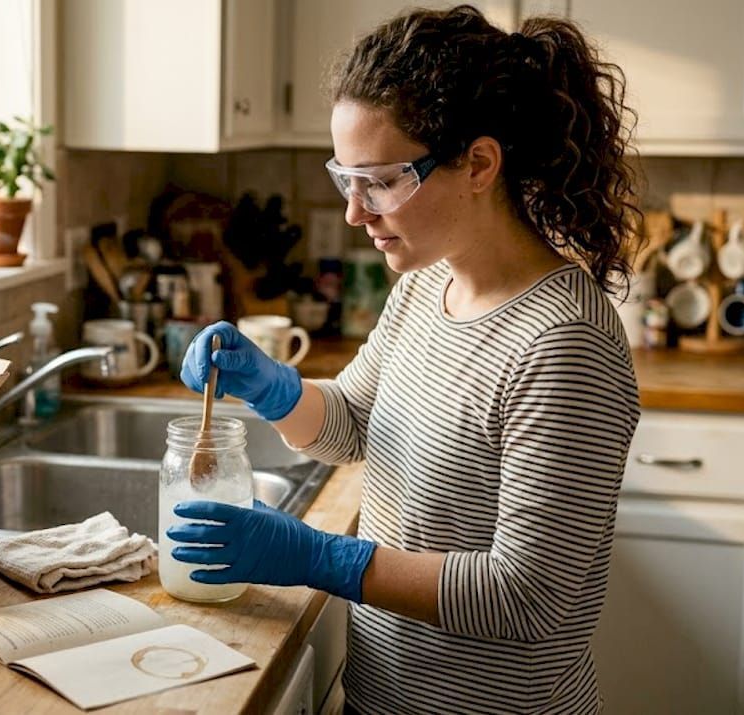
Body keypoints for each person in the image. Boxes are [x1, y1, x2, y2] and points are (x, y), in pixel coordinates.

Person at [168, 6, 642, 713]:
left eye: (381, 181)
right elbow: (355, 425)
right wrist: (271, 388)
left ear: (478, 164)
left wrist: (320, 558)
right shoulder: (427, 284)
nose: (356, 212)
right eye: (345, 178)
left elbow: (528, 597)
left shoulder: (565, 343)